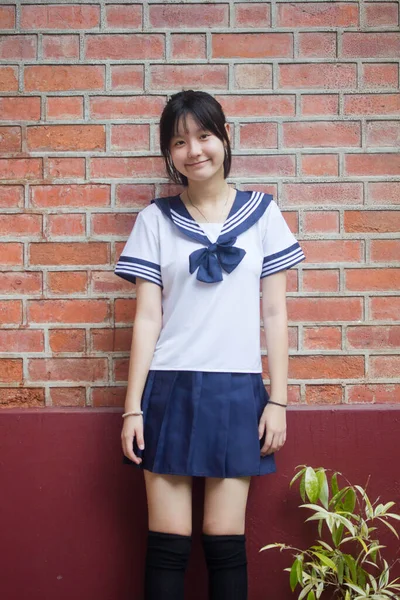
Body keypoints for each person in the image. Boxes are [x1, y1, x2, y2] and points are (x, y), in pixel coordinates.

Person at [114, 90, 305, 600]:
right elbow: (147, 317)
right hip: (170, 388)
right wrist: (133, 409)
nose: (193, 150)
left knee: (225, 546)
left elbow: (274, 313)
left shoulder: (263, 213)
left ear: (224, 138)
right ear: (169, 154)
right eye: (179, 141)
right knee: (167, 547)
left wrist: (279, 400)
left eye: (203, 135)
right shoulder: (155, 219)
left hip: (237, 391)